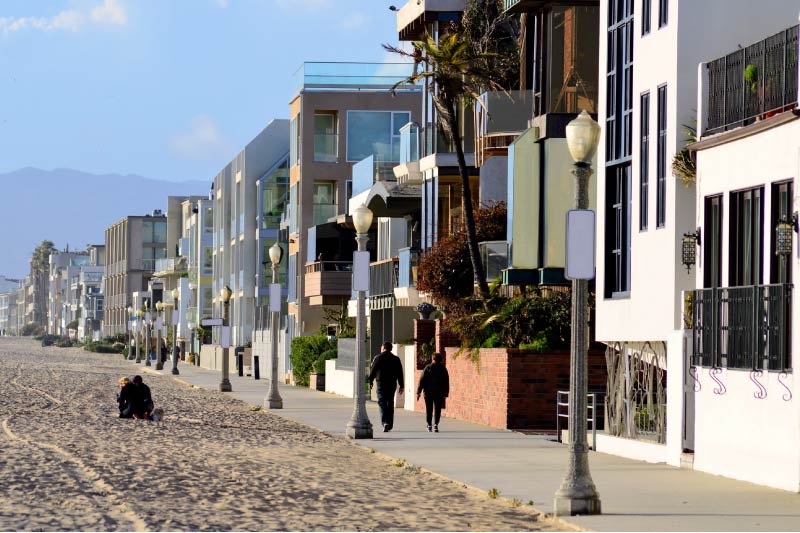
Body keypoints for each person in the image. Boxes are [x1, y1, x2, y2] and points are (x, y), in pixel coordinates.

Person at [369, 341, 404, 432]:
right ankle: (389, 423)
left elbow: (373, 370)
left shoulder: (378, 358)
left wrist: (370, 381)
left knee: (382, 402)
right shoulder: (396, 359)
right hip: (392, 383)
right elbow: (400, 373)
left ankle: (385, 422)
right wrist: (401, 385)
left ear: (383, 348)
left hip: (381, 383)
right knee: (390, 402)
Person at [416, 352, 450, 432]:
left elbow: (422, 380)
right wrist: (446, 393)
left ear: (433, 358)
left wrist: (419, 392)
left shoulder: (428, 367)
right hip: (439, 392)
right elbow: (446, 381)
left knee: (429, 408)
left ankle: (429, 425)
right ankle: (436, 425)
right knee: (437, 409)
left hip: (428, 392)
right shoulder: (443, 369)